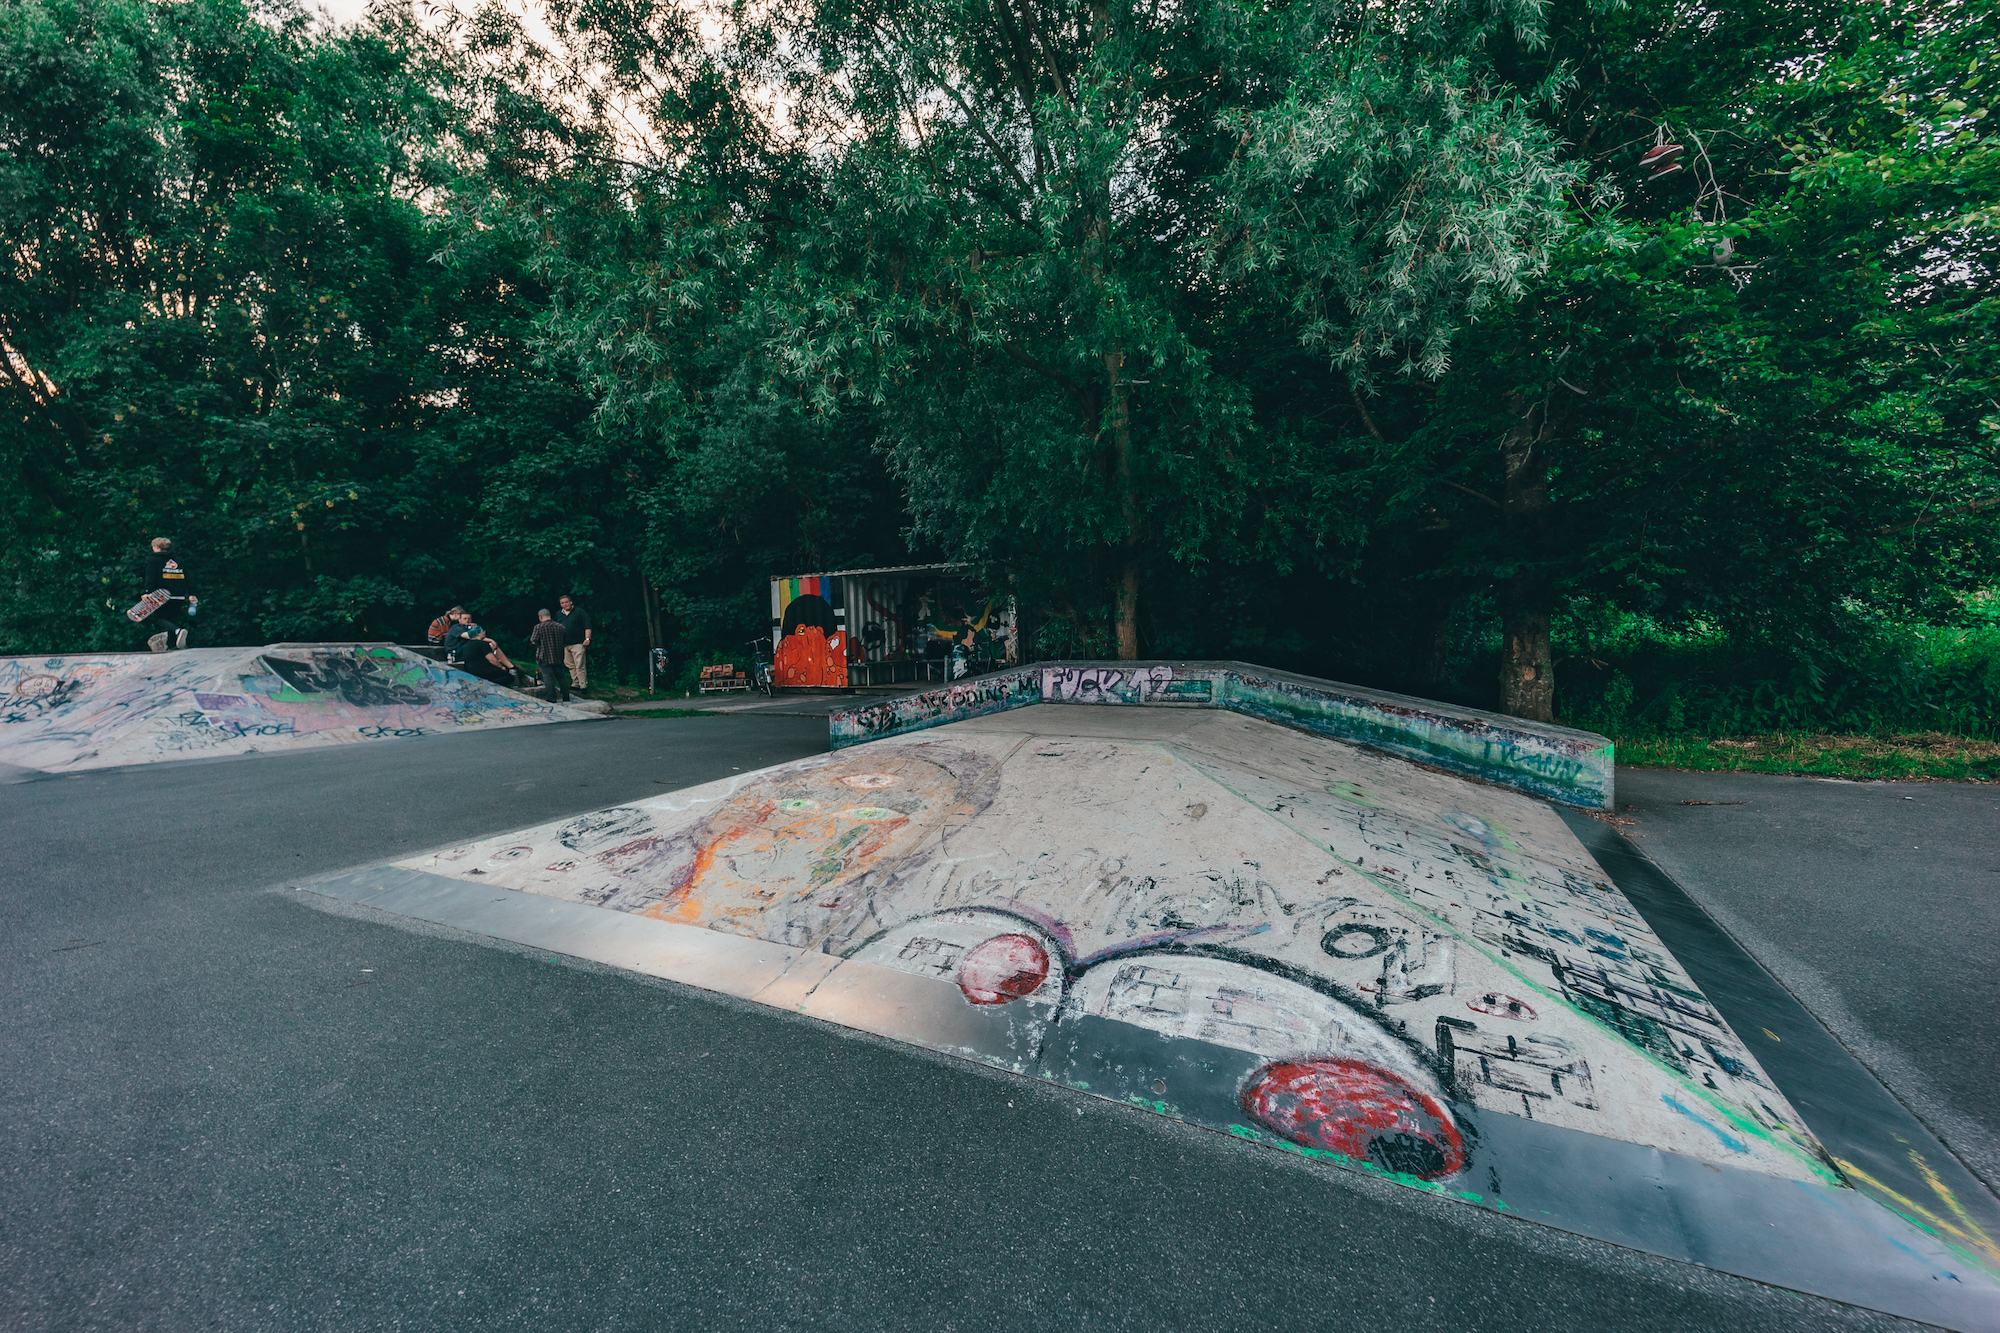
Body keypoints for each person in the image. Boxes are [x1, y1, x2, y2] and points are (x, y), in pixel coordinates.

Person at [140, 537, 197, 651]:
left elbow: (151, 577)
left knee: (158, 617)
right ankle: (172, 646)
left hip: (162, 595)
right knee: (172, 619)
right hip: (179, 596)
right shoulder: (178, 560)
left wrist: (148, 592)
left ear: (156, 547)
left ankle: (178, 631)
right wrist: (191, 593)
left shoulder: (154, 560)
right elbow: (189, 577)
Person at [443, 611, 524, 687]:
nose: (467, 620)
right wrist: (490, 640)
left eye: (469, 618)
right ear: (459, 620)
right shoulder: (456, 628)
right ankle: (506, 669)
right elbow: (472, 636)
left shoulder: (469, 628)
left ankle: (510, 666)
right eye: (465, 618)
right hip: (455, 651)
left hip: (470, 656)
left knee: (487, 647)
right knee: (489, 645)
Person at [529, 609, 570, 701]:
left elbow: (534, 640)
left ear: (540, 617)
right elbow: (566, 640)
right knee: (561, 676)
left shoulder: (539, 627)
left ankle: (551, 697)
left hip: (544, 655)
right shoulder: (561, 627)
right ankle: (566, 696)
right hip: (558, 655)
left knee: (548, 677)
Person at [554, 595, 592, 694]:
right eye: (562, 603)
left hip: (578, 643)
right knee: (569, 664)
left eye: (566, 602)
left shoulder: (579, 612)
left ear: (571, 602)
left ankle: (583, 685)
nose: (565, 604)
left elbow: (587, 625)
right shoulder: (559, 614)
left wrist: (587, 638)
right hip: (564, 644)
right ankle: (575, 683)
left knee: (580, 664)